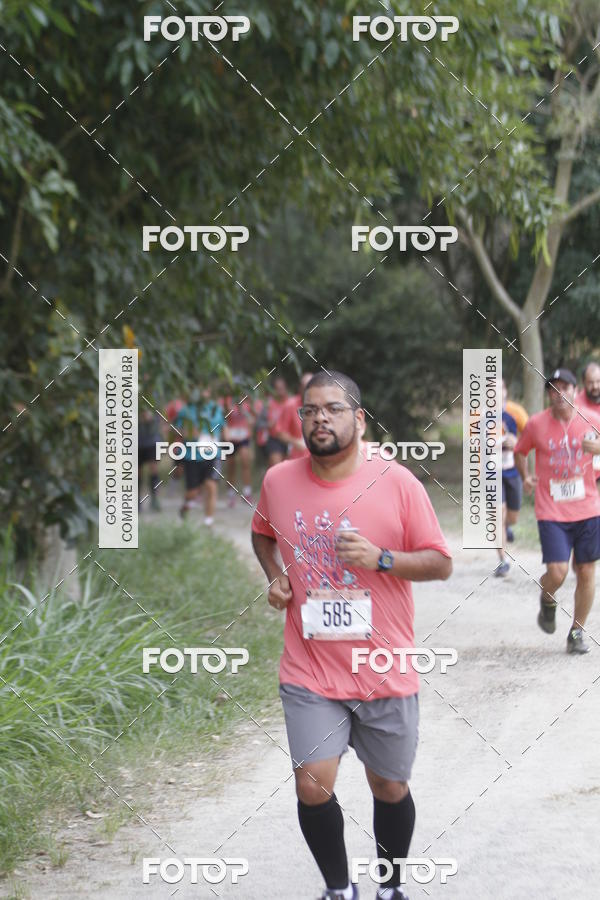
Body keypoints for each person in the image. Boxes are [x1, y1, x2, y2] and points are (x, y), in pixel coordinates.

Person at [251, 371, 452, 900]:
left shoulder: (398, 483)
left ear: (358, 419)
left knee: (389, 786)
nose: (321, 418)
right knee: (312, 783)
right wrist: (275, 575)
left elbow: (440, 563)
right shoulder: (278, 480)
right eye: (311, 410)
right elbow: (262, 534)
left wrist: (381, 559)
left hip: (385, 667)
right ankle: (339, 889)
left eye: (334, 409)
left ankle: (391, 887)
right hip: (310, 668)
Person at [514, 367, 600, 654]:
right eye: (553, 388)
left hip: (588, 507)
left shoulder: (593, 420)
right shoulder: (537, 424)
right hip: (551, 510)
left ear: (576, 391)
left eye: (565, 387)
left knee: (587, 571)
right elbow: (519, 451)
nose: (559, 393)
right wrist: (525, 476)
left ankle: (577, 632)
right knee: (558, 571)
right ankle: (547, 598)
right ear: (549, 394)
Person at [175, 388, 225, 525]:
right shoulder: (185, 411)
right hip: (192, 455)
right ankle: (184, 508)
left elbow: (223, 428)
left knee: (211, 486)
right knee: (193, 493)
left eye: (205, 389)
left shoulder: (216, 409)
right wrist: (178, 461)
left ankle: (208, 522)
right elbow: (179, 434)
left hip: (213, 455)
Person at [496, 380, 528, 576]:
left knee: (512, 517)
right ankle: (503, 561)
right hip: (492, 472)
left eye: (498, 388)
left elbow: (532, 433)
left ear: (505, 391)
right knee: (497, 516)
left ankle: (507, 525)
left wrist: (517, 442)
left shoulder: (516, 412)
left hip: (513, 470)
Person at [223, 394, 256, 506]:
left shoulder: (248, 401)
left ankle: (247, 493)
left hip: (243, 437)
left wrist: (245, 407)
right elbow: (224, 418)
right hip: (231, 438)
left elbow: (253, 418)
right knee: (231, 467)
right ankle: (231, 495)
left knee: (245, 462)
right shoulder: (228, 400)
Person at [273, 372, 313, 459]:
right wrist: (295, 442)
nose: (308, 390)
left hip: (317, 458)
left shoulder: (321, 405)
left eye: (311, 387)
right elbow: (279, 432)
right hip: (297, 456)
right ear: (300, 388)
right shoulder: (290, 405)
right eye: (305, 387)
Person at [138, 408, 163, 511]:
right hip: (137, 442)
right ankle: (137, 500)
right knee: (137, 472)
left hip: (153, 442)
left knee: (154, 469)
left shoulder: (154, 397)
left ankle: (155, 499)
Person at [265, 376, 290, 466]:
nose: (280, 391)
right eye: (277, 389)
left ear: (286, 388)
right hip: (275, 439)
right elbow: (266, 423)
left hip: (289, 440)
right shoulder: (270, 404)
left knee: (287, 469)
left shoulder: (291, 403)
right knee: (277, 466)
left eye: (282, 388)